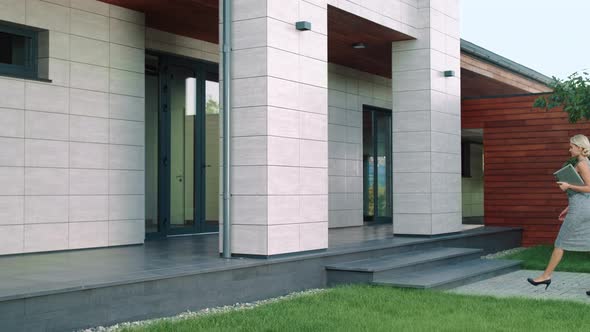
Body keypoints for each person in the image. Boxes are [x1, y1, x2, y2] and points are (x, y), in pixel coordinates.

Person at [527, 134, 590, 294]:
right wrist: (568, 207)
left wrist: (568, 185)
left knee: (560, 242)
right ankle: (545, 275)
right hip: (581, 207)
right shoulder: (585, 163)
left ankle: (546, 276)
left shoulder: (582, 163)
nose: (569, 149)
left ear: (580, 147)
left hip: (581, 209)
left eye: (571, 146)